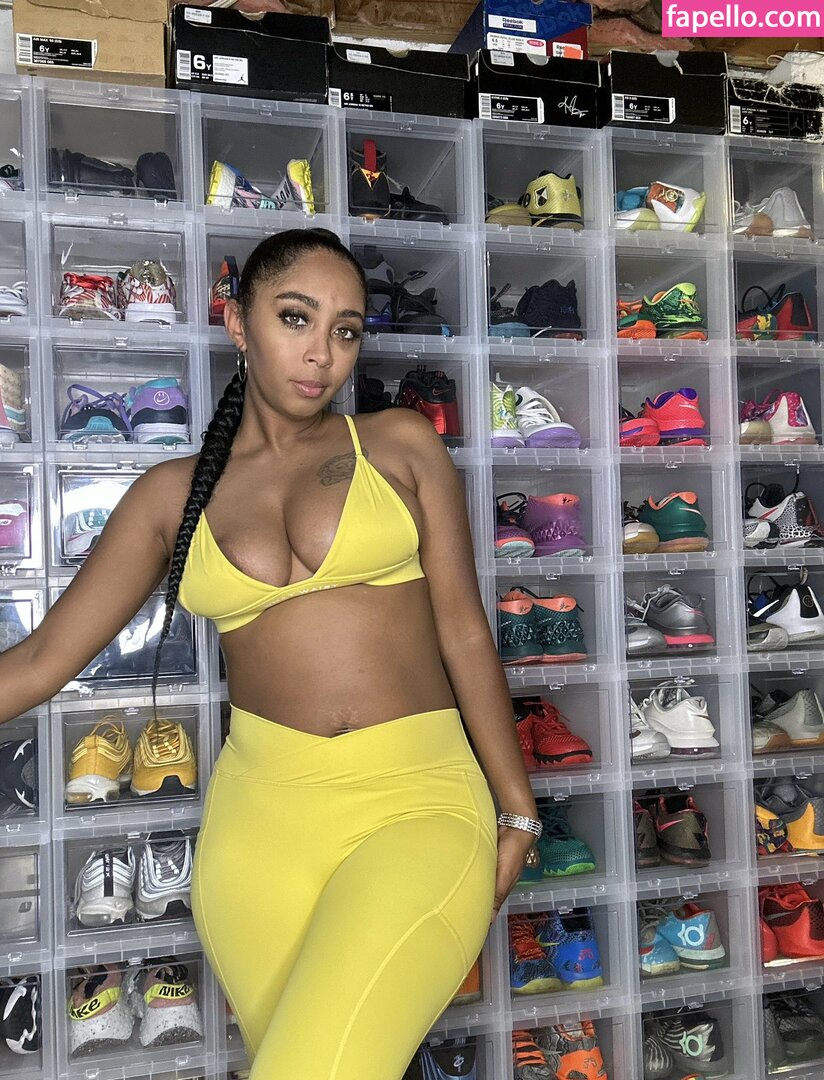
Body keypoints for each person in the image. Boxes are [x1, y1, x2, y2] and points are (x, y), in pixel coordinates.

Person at [0, 229, 539, 1079]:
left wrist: (518, 807)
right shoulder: (170, 496)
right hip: (259, 832)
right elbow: (37, 663)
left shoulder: (399, 444)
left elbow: (465, 630)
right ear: (237, 323)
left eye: (345, 330)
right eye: (296, 318)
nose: (322, 353)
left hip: (419, 802)